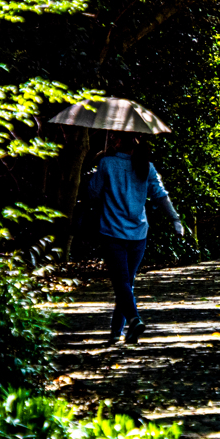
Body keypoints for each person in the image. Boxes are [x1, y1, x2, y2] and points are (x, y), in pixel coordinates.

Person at [89, 132, 184, 344]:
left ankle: (133, 320)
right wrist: (175, 220)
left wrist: (97, 169)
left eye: (115, 137)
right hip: (138, 233)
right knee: (126, 283)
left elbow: (93, 194)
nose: (112, 139)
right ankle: (117, 332)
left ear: (123, 141)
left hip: (112, 232)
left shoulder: (106, 163)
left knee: (122, 282)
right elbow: (160, 195)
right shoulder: (145, 165)